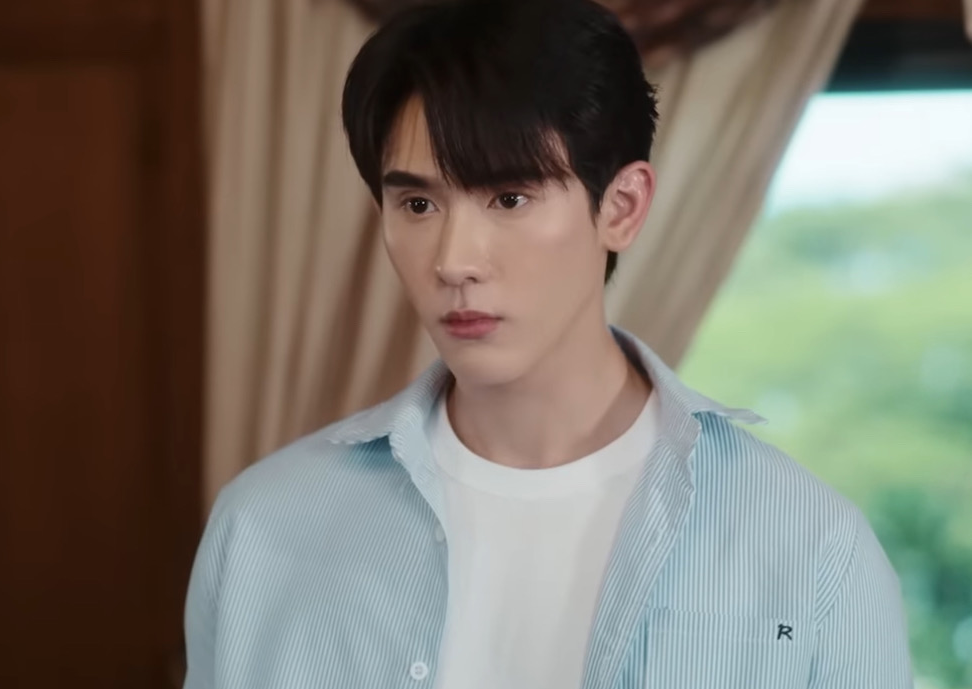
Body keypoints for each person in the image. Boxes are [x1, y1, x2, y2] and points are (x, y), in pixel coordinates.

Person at [183, 0, 913, 687]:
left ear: (622, 207)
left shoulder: (812, 546)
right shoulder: (263, 527)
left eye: (509, 198)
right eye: (418, 203)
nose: (453, 261)